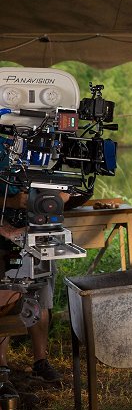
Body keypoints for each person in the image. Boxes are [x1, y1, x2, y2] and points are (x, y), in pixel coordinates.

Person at [0, 134, 64, 386]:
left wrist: (50, 199)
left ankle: (40, 361)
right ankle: (2, 365)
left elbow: (65, 191)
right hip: (3, 233)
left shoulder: (45, 138)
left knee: (41, 296)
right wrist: (15, 202)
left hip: (35, 232)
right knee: (3, 294)